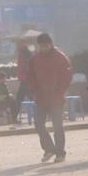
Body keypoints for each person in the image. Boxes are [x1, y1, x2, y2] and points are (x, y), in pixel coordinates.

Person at [27, 33, 73, 162]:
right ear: (39, 46)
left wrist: (60, 92)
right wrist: (35, 90)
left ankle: (60, 153)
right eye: (41, 45)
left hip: (56, 98)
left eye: (46, 45)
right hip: (41, 98)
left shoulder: (60, 57)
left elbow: (67, 76)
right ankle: (49, 149)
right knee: (39, 125)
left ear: (51, 44)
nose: (44, 47)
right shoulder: (35, 59)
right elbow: (30, 76)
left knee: (58, 126)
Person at [14, 40, 33, 121]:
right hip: (26, 79)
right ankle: (43, 114)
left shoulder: (23, 54)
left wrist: (21, 74)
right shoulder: (26, 53)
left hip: (25, 79)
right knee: (32, 98)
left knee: (19, 98)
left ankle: (14, 117)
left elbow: (23, 66)